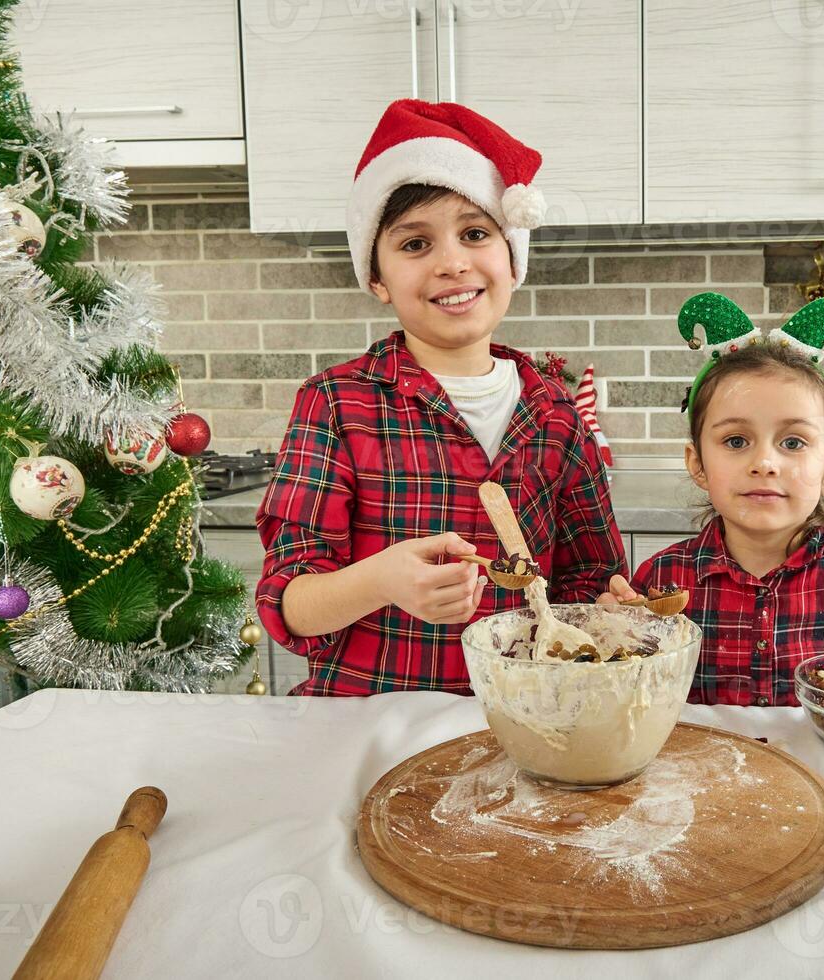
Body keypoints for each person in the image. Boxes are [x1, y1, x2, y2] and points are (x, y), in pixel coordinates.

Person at [256, 100, 626, 696]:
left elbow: (593, 579)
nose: (452, 262)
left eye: (476, 234)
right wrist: (380, 580)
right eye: (414, 244)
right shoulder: (336, 405)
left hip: (520, 727)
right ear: (376, 278)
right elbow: (287, 605)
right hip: (369, 723)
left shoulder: (556, 415)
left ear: (512, 258)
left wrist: (612, 607)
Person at [601, 292, 824, 707]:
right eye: (736, 441)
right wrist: (610, 642)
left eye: (793, 441)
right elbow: (619, 704)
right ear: (698, 463)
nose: (765, 462)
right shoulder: (660, 583)